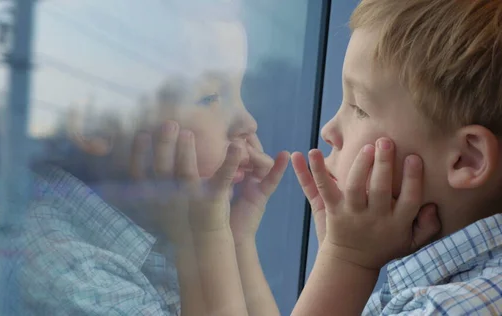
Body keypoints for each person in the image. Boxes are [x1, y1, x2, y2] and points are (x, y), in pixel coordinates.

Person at [173, 0, 502, 315]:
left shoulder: (447, 309)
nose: (329, 129)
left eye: (359, 107)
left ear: (465, 159)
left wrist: (347, 260)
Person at [0, 1, 290, 315]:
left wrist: (236, 240)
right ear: (95, 121)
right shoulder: (75, 276)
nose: (248, 122)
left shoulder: (154, 222)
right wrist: (199, 240)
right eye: (209, 97)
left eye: (240, 90)